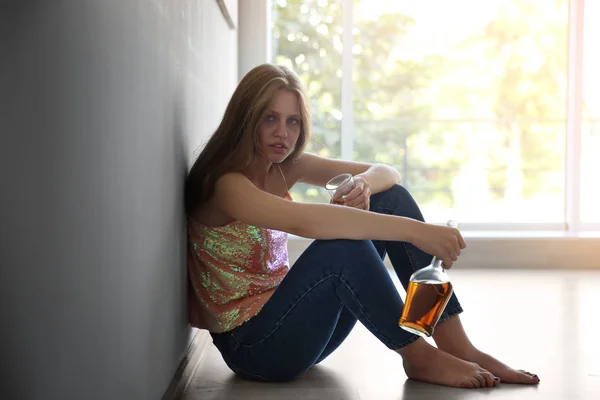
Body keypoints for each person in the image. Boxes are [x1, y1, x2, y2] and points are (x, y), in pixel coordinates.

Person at [184, 63, 540, 389]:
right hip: (257, 348)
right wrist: (418, 232)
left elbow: (388, 172)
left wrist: (365, 185)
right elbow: (309, 221)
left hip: (300, 326)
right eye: (269, 118)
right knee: (341, 248)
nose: (283, 133)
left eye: (293, 121)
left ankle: (456, 344)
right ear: (245, 119)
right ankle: (417, 355)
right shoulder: (226, 184)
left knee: (392, 197)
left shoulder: (281, 165)